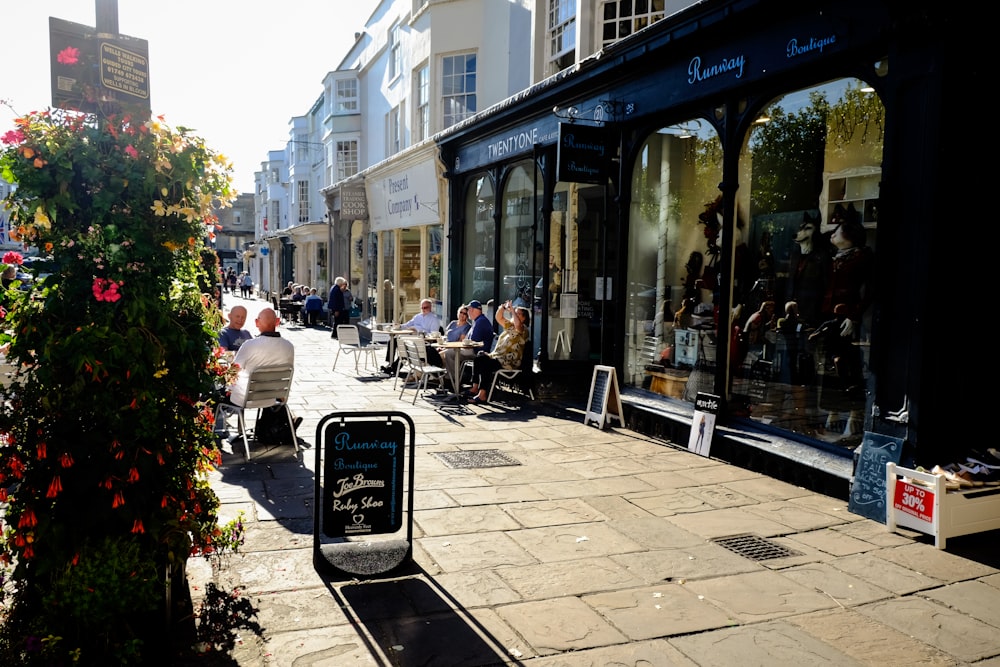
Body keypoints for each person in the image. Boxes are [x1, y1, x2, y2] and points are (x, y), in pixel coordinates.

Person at [226, 308, 295, 405]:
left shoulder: (249, 345)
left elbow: (233, 371)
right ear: (277, 322)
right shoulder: (289, 346)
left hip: (246, 398)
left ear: (257, 322)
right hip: (273, 397)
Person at [468, 300, 530, 405]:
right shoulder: (510, 327)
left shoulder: (523, 330)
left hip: (508, 361)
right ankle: (475, 387)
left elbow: (518, 325)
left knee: (486, 363)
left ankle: (482, 394)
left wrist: (512, 312)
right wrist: (503, 308)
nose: (515, 314)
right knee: (479, 357)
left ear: (524, 318)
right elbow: (498, 317)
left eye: (519, 313)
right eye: (516, 312)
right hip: (497, 357)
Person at [441, 299, 494, 392]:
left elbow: (472, 341)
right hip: (475, 350)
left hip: (478, 353)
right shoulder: (477, 321)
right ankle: (451, 381)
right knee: (448, 353)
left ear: (472, 310)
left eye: (468, 310)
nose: (467, 313)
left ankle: (453, 382)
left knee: (449, 353)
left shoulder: (481, 322)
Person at [381, 298, 441, 371]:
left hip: (422, 341)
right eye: (422, 307)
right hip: (411, 338)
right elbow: (407, 324)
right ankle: (390, 363)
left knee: (406, 348)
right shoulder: (417, 316)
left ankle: (393, 368)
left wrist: (418, 330)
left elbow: (433, 334)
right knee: (393, 341)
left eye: (425, 307)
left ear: (430, 307)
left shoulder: (434, 319)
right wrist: (399, 326)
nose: (423, 309)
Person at [426, 304, 470, 370]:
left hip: (453, 349)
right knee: (427, 351)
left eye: (465, 313)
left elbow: (460, 342)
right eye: (461, 312)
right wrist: (441, 346)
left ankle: (439, 374)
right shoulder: (452, 323)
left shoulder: (467, 327)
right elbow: (445, 337)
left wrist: (445, 348)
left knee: (435, 356)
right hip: (444, 346)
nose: (462, 314)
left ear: (467, 316)